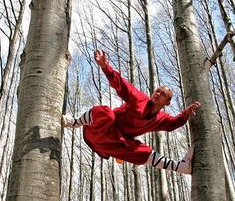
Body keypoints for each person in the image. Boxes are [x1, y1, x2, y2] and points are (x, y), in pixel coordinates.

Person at [62, 50, 201, 174]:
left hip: (112, 143)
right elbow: (121, 85)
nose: (158, 93)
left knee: (143, 151)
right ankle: (74, 122)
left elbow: (173, 124)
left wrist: (186, 113)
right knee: (106, 113)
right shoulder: (140, 99)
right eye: (157, 90)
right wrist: (105, 67)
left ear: (167, 103)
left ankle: (180, 167)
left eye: (163, 94)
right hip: (97, 130)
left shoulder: (161, 118)